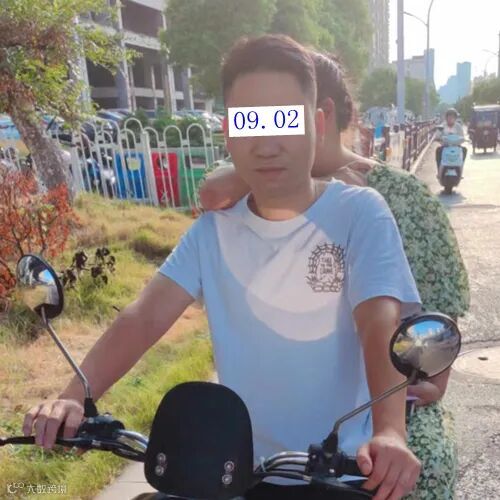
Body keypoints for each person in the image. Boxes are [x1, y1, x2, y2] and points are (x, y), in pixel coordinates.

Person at [23, 36, 422, 500]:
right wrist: (73, 396)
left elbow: (379, 322)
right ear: (228, 133)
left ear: (317, 123)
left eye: (285, 120)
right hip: (236, 474)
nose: (266, 145)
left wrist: (390, 432)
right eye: (249, 122)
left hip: (341, 474)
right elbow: (144, 317)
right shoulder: (212, 232)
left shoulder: (360, 213)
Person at [199, 51, 470, 500]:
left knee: (417, 473)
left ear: (319, 115)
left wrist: (418, 391)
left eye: (282, 116)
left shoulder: (395, 197)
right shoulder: (261, 188)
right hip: (282, 401)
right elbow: (212, 192)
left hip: (388, 397)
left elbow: (437, 318)